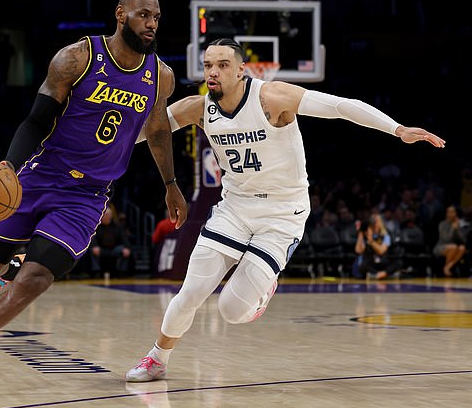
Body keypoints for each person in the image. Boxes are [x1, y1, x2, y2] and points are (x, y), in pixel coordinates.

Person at [0, 0, 187, 399]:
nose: (151, 23)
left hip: (85, 197)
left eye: (156, 17)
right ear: (120, 14)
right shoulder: (77, 58)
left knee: (35, 280)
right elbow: (36, 121)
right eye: (143, 15)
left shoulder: (161, 75)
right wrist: (9, 168)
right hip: (40, 176)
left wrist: (171, 185)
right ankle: (9, 270)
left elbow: (157, 131)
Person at [126, 37, 445, 382]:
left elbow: (340, 106)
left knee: (231, 310)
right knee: (191, 292)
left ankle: (263, 287)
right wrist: (84, 144)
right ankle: (157, 358)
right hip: (234, 209)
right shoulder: (199, 108)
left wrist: (398, 130)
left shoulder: (271, 97)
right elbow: (145, 132)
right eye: (208, 66)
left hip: (282, 213)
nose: (213, 73)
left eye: (222, 65)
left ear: (241, 69)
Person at [352, 213, 402, 280]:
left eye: (376, 221)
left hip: (384, 261)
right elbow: (358, 251)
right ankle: (384, 275)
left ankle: (382, 274)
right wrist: (361, 232)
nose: (374, 224)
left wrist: (371, 241)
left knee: (398, 262)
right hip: (372, 262)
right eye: (372, 221)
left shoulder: (386, 235)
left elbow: (381, 251)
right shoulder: (366, 233)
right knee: (362, 265)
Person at [90, 207, 133, 278]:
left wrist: (127, 248)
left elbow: (124, 239)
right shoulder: (97, 226)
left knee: (125, 250)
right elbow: (93, 239)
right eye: (104, 215)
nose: (105, 217)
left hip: (114, 249)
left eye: (107, 215)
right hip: (101, 248)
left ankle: (122, 272)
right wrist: (95, 246)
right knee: (92, 250)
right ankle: (96, 271)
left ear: (110, 216)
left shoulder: (117, 226)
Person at [433, 204, 467, 276]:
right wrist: (452, 228)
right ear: (446, 213)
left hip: (454, 247)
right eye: (449, 212)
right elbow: (446, 240)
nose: (451, 214)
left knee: (462, 248)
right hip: (440, 247)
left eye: (453, 212)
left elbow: (464, 240)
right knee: (453, 247)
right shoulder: (442, 224)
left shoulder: (458, 224)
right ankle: (447, 269)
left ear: (456, 213)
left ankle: (447, 267)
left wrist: (457, 229)